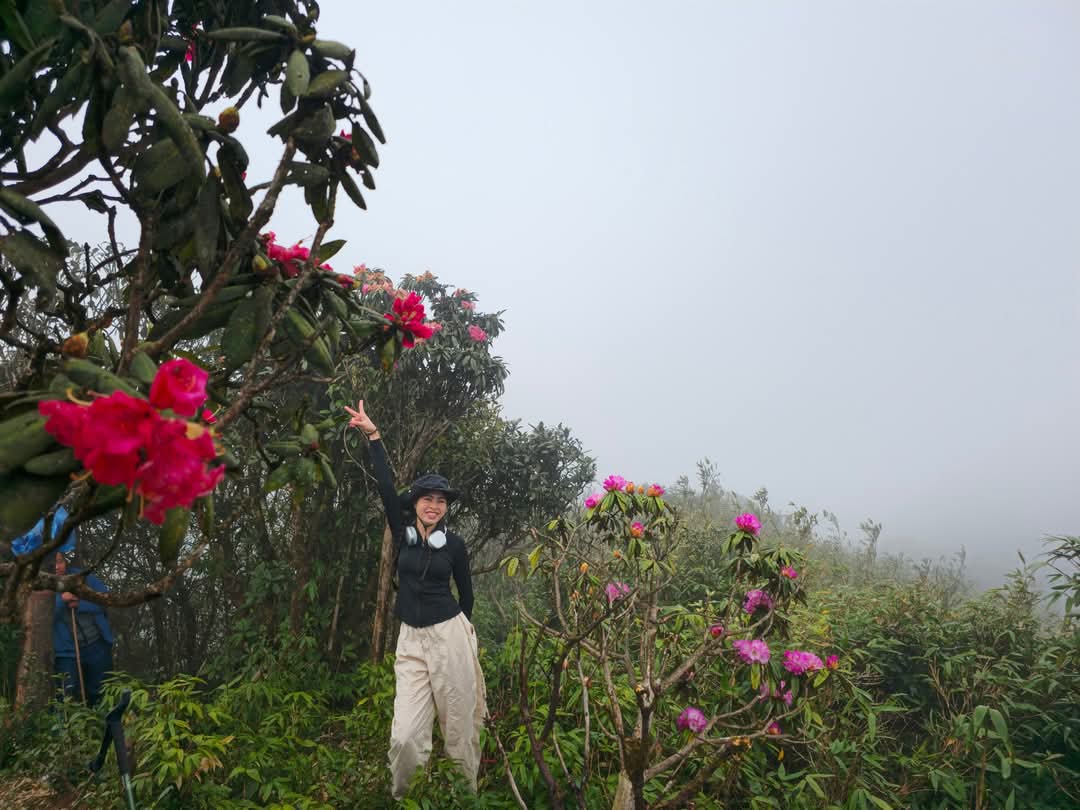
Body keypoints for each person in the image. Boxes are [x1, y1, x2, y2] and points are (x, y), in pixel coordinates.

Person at [344, 399, 487, 800]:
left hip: (449, 637)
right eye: (427, 498)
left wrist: (461, 637)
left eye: (441, 501)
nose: (434, 505)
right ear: (417, 502)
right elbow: (386, 487)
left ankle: (465, 799)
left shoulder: (454, 546)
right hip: (410, 641)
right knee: (405, 737)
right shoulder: (402, 529)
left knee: (459, 732)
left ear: (445, 509)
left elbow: (468, 596)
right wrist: (373, 436)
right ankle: (404, 800)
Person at [53, 551, 114, 706]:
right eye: (53, 563)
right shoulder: (43, 585)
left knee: (101, 692)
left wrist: (80, 604)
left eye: (60, 561)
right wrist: (62, 600)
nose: (56, 566)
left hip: (96, 645)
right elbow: (44, 616)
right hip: (67, 653)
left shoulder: (82, 577)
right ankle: (71, 729)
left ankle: (105, 727)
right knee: (67, 695)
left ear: (65, 561)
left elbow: (104, 599)